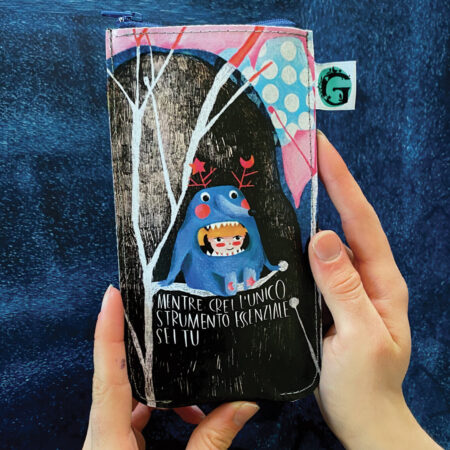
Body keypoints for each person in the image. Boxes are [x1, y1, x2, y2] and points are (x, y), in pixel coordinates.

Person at [83, 132, 442, 449]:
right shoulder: (198, 228)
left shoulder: (248, 228)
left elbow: (257, 254)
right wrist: (381, 423)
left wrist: (378, 419)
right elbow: (183, 253)